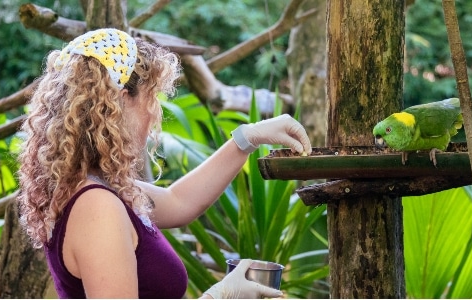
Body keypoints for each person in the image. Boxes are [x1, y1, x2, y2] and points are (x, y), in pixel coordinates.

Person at [17, 28, 312, 299]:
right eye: (152, 98)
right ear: (119, 103)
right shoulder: (96, 207)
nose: (154, 116)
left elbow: (179, 201)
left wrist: (248, 137)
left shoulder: (96, 187)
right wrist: (217, 296)